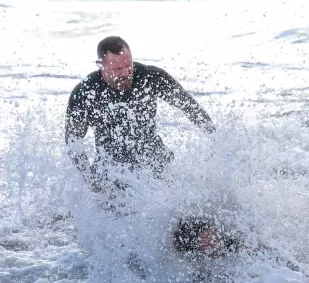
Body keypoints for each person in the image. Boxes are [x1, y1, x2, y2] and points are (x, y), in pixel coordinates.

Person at [65, 36, 215, 193]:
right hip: (112, 170)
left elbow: (190, 107)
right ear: (101, 65)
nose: (125, 73)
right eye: (117, 69)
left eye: (127, 65)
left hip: (155, 162)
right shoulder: (86, 92)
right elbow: (73, 142)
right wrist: (92, 181)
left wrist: (216, 140)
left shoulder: (150, 77)